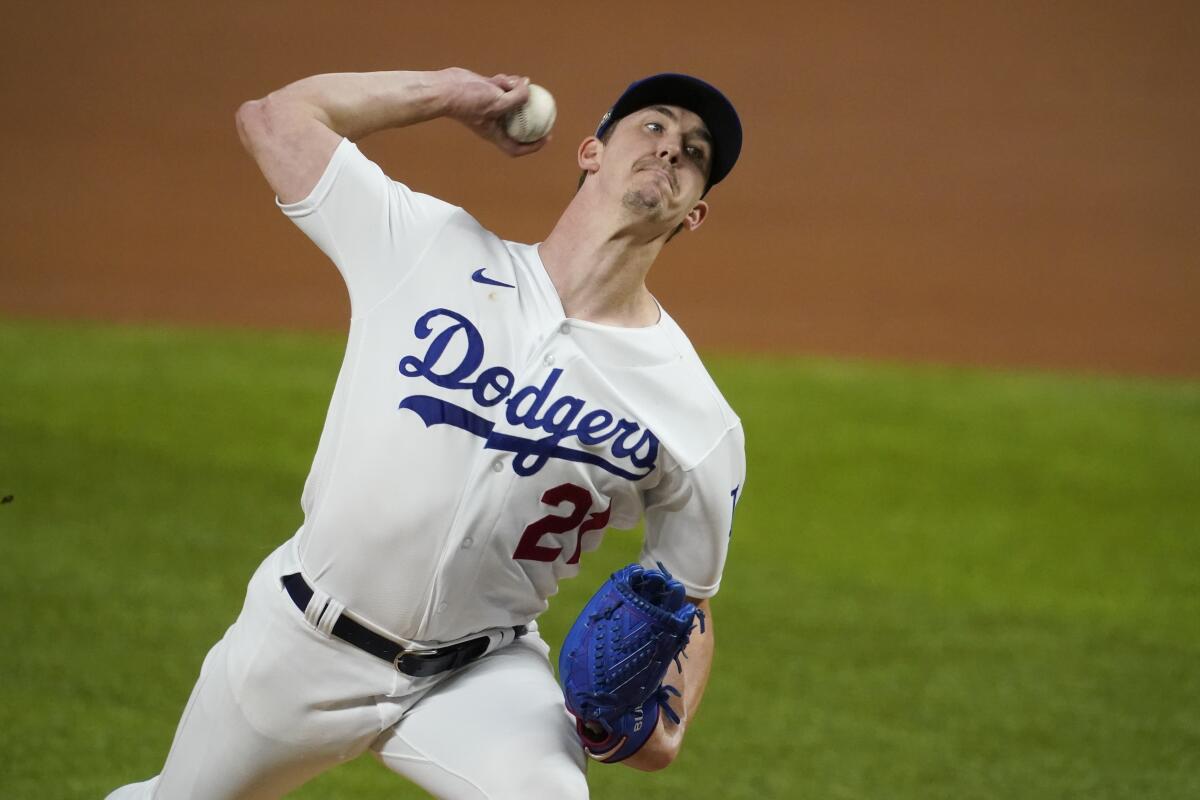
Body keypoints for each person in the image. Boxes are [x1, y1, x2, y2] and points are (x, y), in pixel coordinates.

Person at [108, 67, 745, 799]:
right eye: (654, 127)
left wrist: (667, 733)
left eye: (695, 153)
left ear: (694, 213)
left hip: (477, 677)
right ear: (591, 152)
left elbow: (686, 595)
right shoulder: (428, 251)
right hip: (299, 643)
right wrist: (446, 93)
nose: (672, 151)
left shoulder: (695, 412)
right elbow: (274, 119)